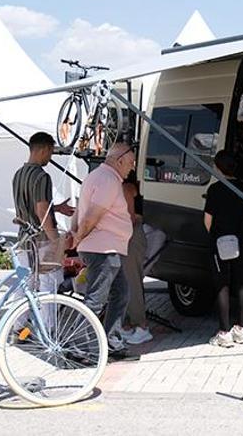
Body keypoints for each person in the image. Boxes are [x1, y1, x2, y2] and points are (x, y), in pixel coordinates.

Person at [72, 142, 135, 358]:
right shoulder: (108, 179)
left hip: (106, 248)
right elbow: (91, 216)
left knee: (120, 293)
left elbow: (81, 210)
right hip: (103, 248)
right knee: (96, 299)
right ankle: (79, 348)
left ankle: (112, 343)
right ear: (119, 160)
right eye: (131, 162)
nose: (132, 167)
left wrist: (76, 234)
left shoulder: (96, 175)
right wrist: (78, 237)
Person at [11, 132, 74, 303]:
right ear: (44, 149)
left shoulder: (18, 174)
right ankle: (48, 327)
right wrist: (56, 240)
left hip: (23, 239)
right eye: (51, 152)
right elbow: (41, 211)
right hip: (41, 242)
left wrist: (58, 208)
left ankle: (17, 325)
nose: (50, 157)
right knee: (49, 286)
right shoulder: (42, 176)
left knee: (25, 284)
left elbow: (32, 205)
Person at [204, 150, 243, 347]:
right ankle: (240, 329)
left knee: (222, 284)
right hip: (241, 241)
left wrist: (214, 235)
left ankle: (223, 332)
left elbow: (207, 221)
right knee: (240, 284)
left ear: (219, 167)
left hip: (220, 242)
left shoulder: (215, 190)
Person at [120, 170, 153, 345]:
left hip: (131, 237)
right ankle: (131, 325)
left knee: (132, 282)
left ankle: (141, 326)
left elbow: (130, 218)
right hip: (134, 235)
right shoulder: (133, 186)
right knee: (131, 281)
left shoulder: (125, 188)